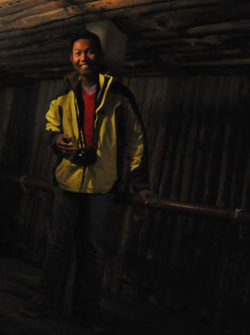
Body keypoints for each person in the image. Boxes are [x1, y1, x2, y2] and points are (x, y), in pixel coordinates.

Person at [19, 30, 155, 330]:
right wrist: (56, 140)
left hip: (103, 186)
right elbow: (49, 127)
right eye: (78, 53)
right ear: (72, 59)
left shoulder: (119, 95)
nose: (84, 57)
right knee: (57, 245)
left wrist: (140, 183)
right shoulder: (63, 94)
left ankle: (86, 311)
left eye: (90, 51)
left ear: (100, 56)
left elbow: (137, 139)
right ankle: (45, 299)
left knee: (94, 252)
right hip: (67, 181)